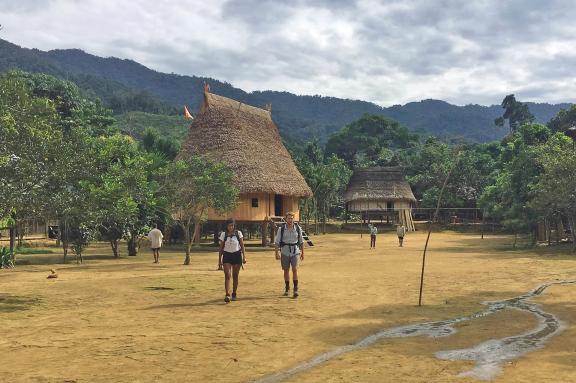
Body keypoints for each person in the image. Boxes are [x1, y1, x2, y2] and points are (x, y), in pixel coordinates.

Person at [274, 212, 304, 298]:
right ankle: (287, 288)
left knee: (294, 269)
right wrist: (277, 253)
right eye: (288, 218)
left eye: (291, 218)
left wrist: (303, 253)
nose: (290, 220)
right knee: (286, 270)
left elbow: (301, 241)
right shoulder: (281, 229)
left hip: (295, 251)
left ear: (293, 219)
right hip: (285, 252)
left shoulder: (298, 228)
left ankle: (295, 289)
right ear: (286, 219)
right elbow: (277, 242)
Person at [218, 219, 246, 303]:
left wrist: (244, 256)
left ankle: (234, 293)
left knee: (235, 275)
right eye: (229, 225)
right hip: (227, 255)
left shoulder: (238, 233)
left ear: (234, 226)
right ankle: (227, 294)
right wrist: (219, 261)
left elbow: (242, 245)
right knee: (227, 274)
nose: (231, 227)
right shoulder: (224, 234)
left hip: (237, 255)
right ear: (227, 226)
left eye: (232, 225)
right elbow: (220, 248)